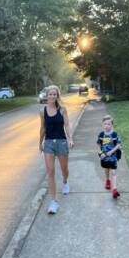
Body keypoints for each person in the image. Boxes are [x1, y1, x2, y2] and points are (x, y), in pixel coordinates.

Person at [39, 85, 74, 214]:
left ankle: (65, 181)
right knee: (50, 171)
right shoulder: (42, 111)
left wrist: (70, 139)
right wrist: (40, 143)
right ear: (47, 95)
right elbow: (42, 128)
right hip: (48, 143)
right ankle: (53, 202)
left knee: (64, 168)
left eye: (54, 94)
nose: (52, 96)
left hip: (61, 142)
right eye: (50, 94)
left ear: (57, 95)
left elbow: (67, 125)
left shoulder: (62, 109)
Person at [97, 115, 121, 199]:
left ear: (112, 125)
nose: (107, 126)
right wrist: (100, 153)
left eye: (109, 124)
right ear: (103, 125)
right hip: (104, 157)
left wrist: (112, 151)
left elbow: (118, 145)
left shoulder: (114, 134)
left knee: (113, 172)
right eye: (105, 124)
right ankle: (107, 180)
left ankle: (114, 189)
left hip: (113, 157)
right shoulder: (101, 135)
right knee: (106, 169)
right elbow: (98, 145)